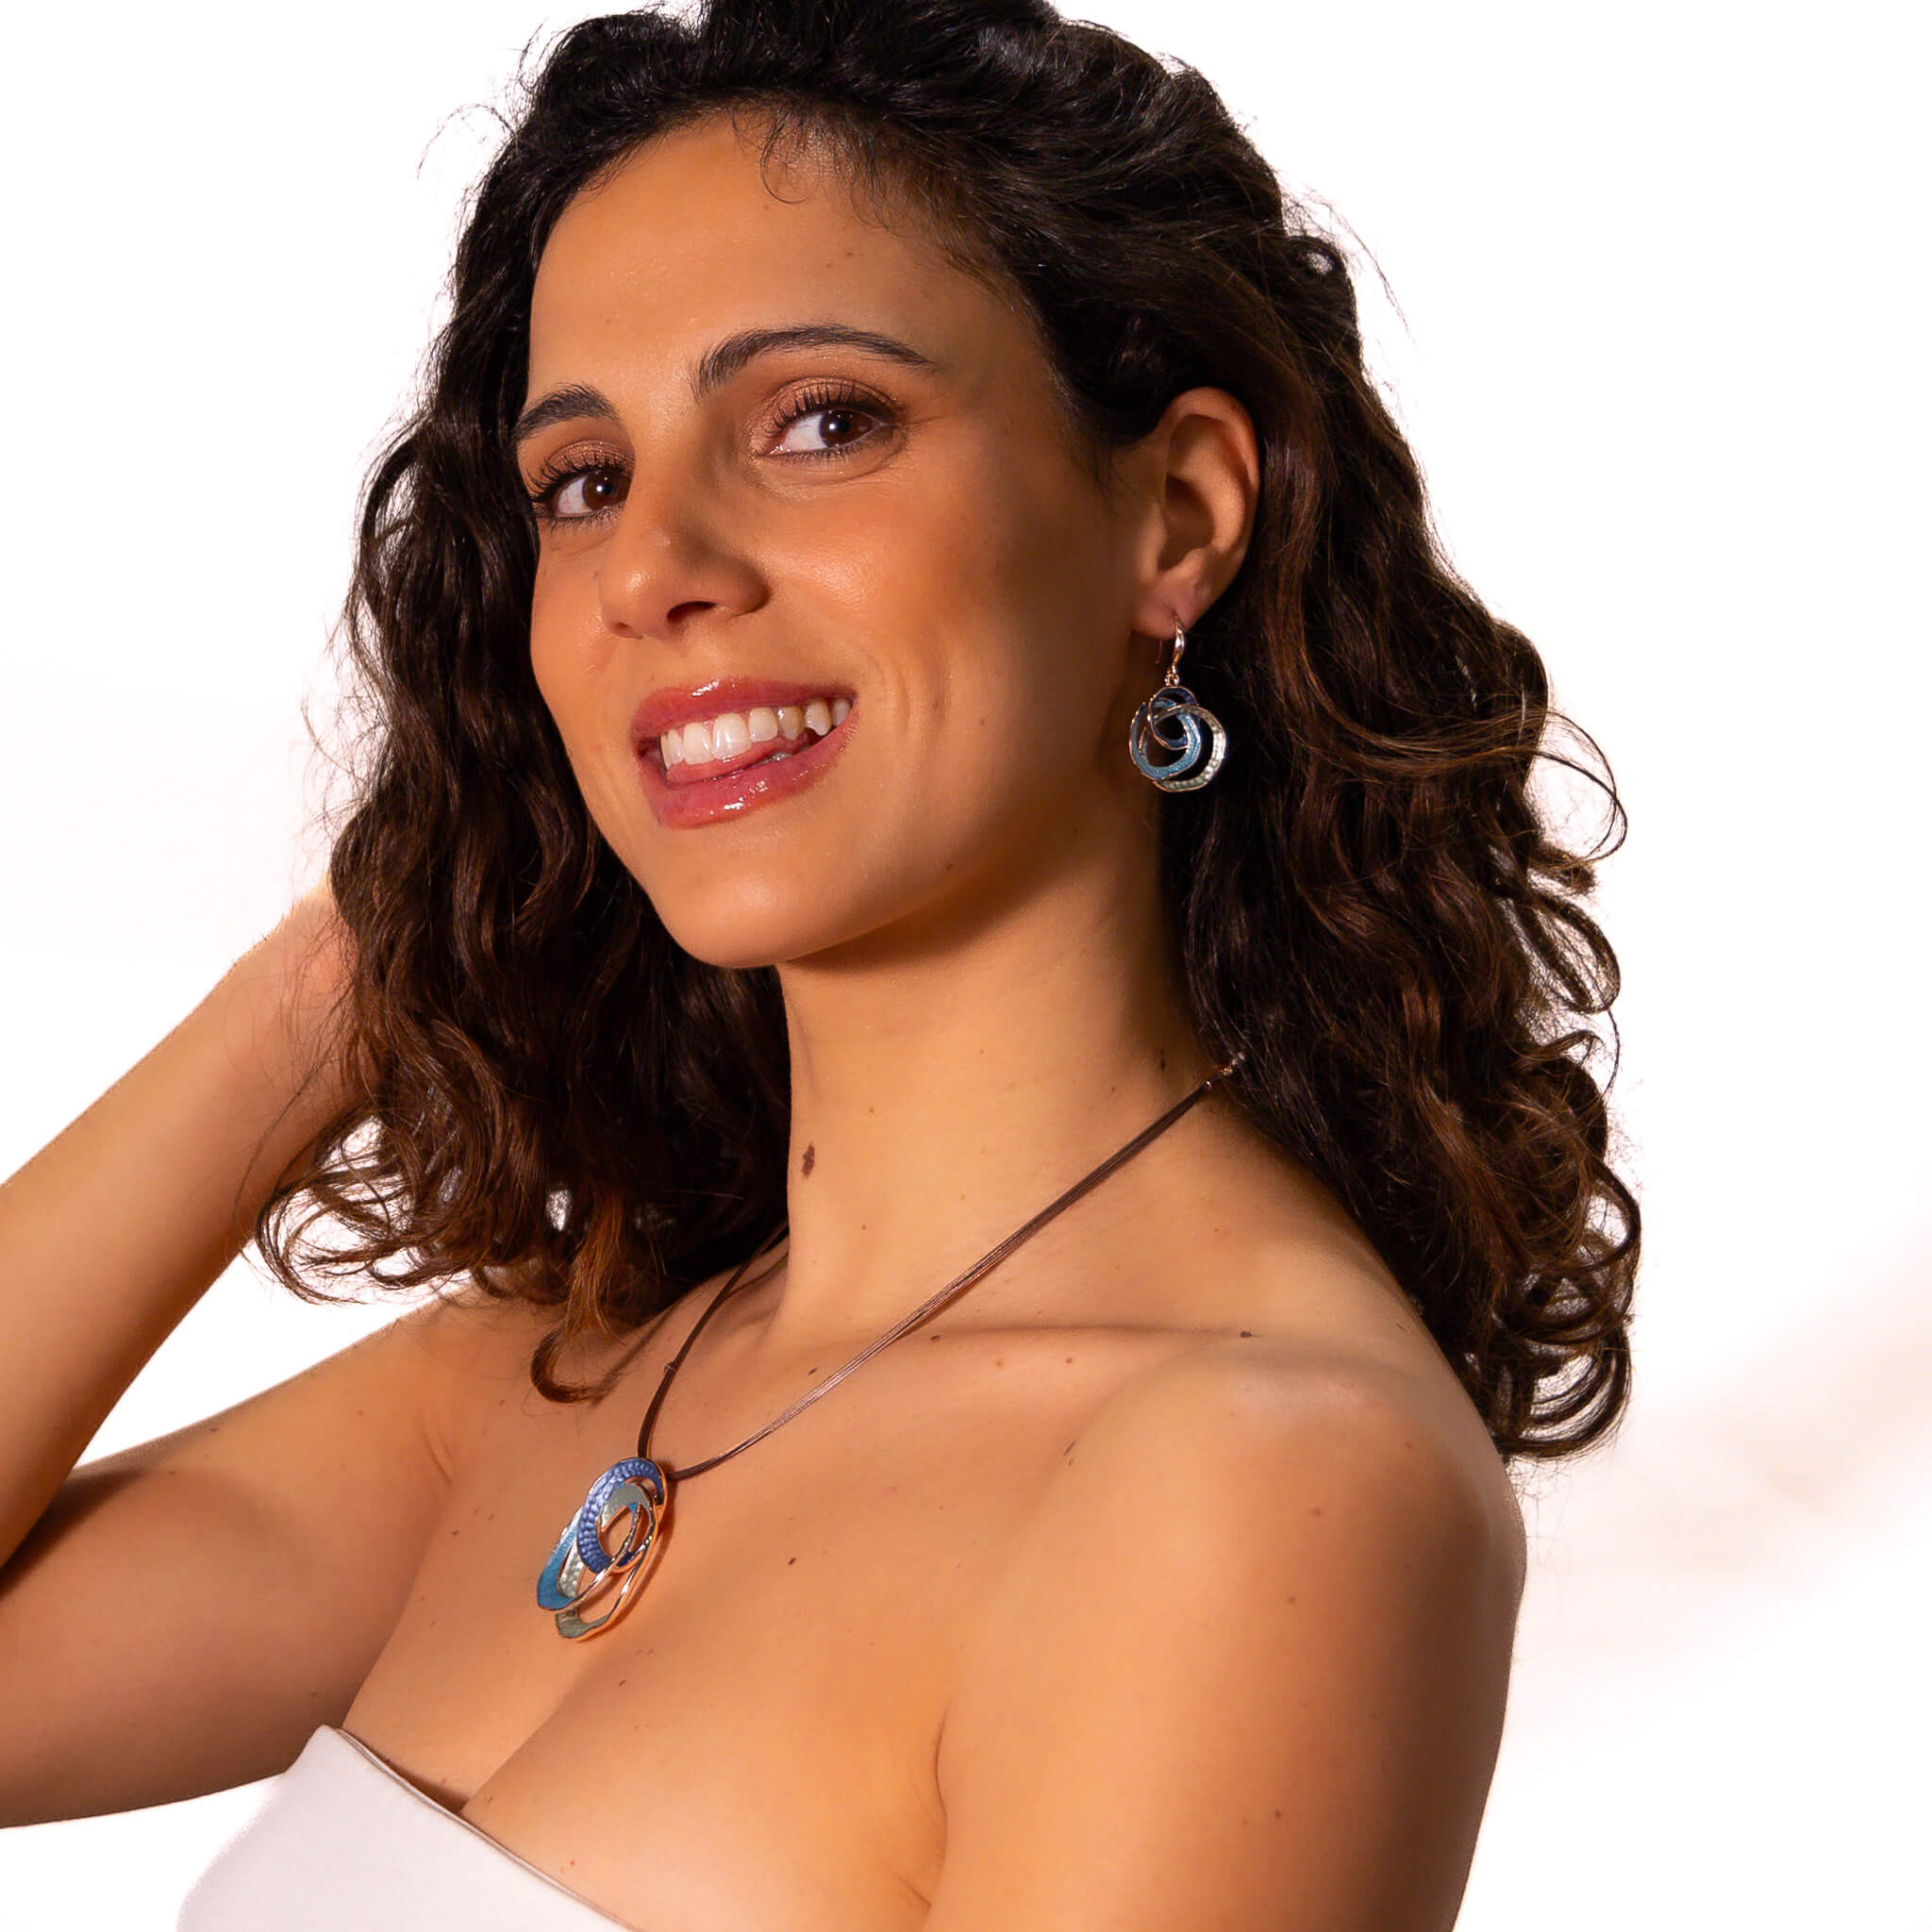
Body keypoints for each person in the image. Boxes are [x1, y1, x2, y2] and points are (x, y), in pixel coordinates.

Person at [0, 0, 1638, 1924]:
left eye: (823, 421)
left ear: (1177, 515)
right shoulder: (556, 1381)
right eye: (582, 481)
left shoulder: (1251, 1480)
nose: (649, 568)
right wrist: (378, 945)